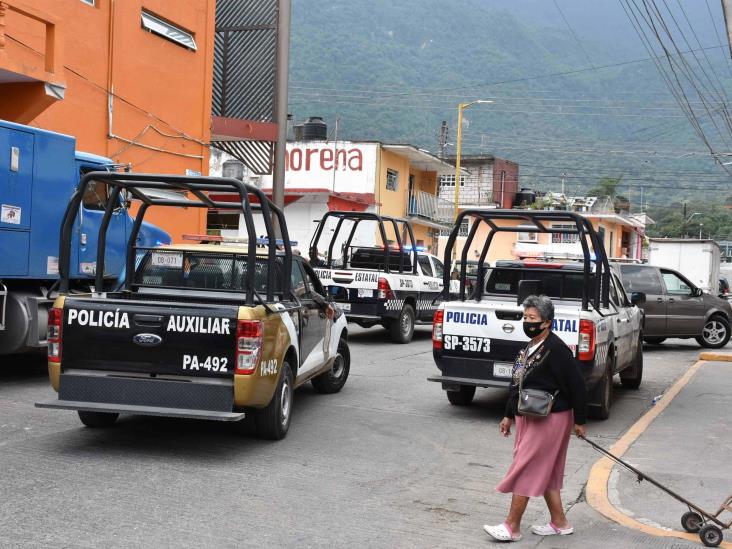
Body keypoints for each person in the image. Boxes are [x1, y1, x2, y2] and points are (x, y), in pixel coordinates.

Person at [483, 294, 587, 543]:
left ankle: (512, 526)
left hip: (552, 418)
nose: (527, 322)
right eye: (525, 317)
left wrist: (580, 421)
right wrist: (508, 415)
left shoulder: (557, 350)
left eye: (532, 318)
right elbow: (515, 384)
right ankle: (560, 522)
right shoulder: (527, 349)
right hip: (528, 415)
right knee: (546, 469)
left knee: (527, 467)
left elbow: (578, 387)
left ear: (547, 322)